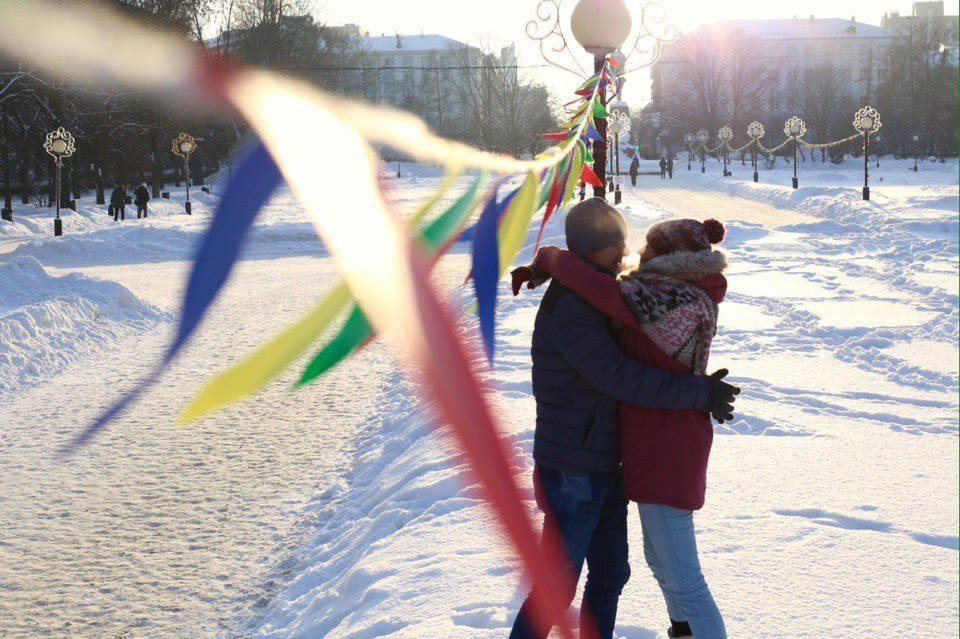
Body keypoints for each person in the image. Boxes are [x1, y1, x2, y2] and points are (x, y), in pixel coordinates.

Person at [508, 198, 740, 639]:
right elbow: (619, 376)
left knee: (614, 574)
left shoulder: (628, 293)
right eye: (612, 244)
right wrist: (699, 391)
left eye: (623, 241)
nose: (624, 252)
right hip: (575, 464)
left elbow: (604, 287)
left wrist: (546, 263)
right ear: (587, 251)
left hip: (613, 459)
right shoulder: (575, 306)